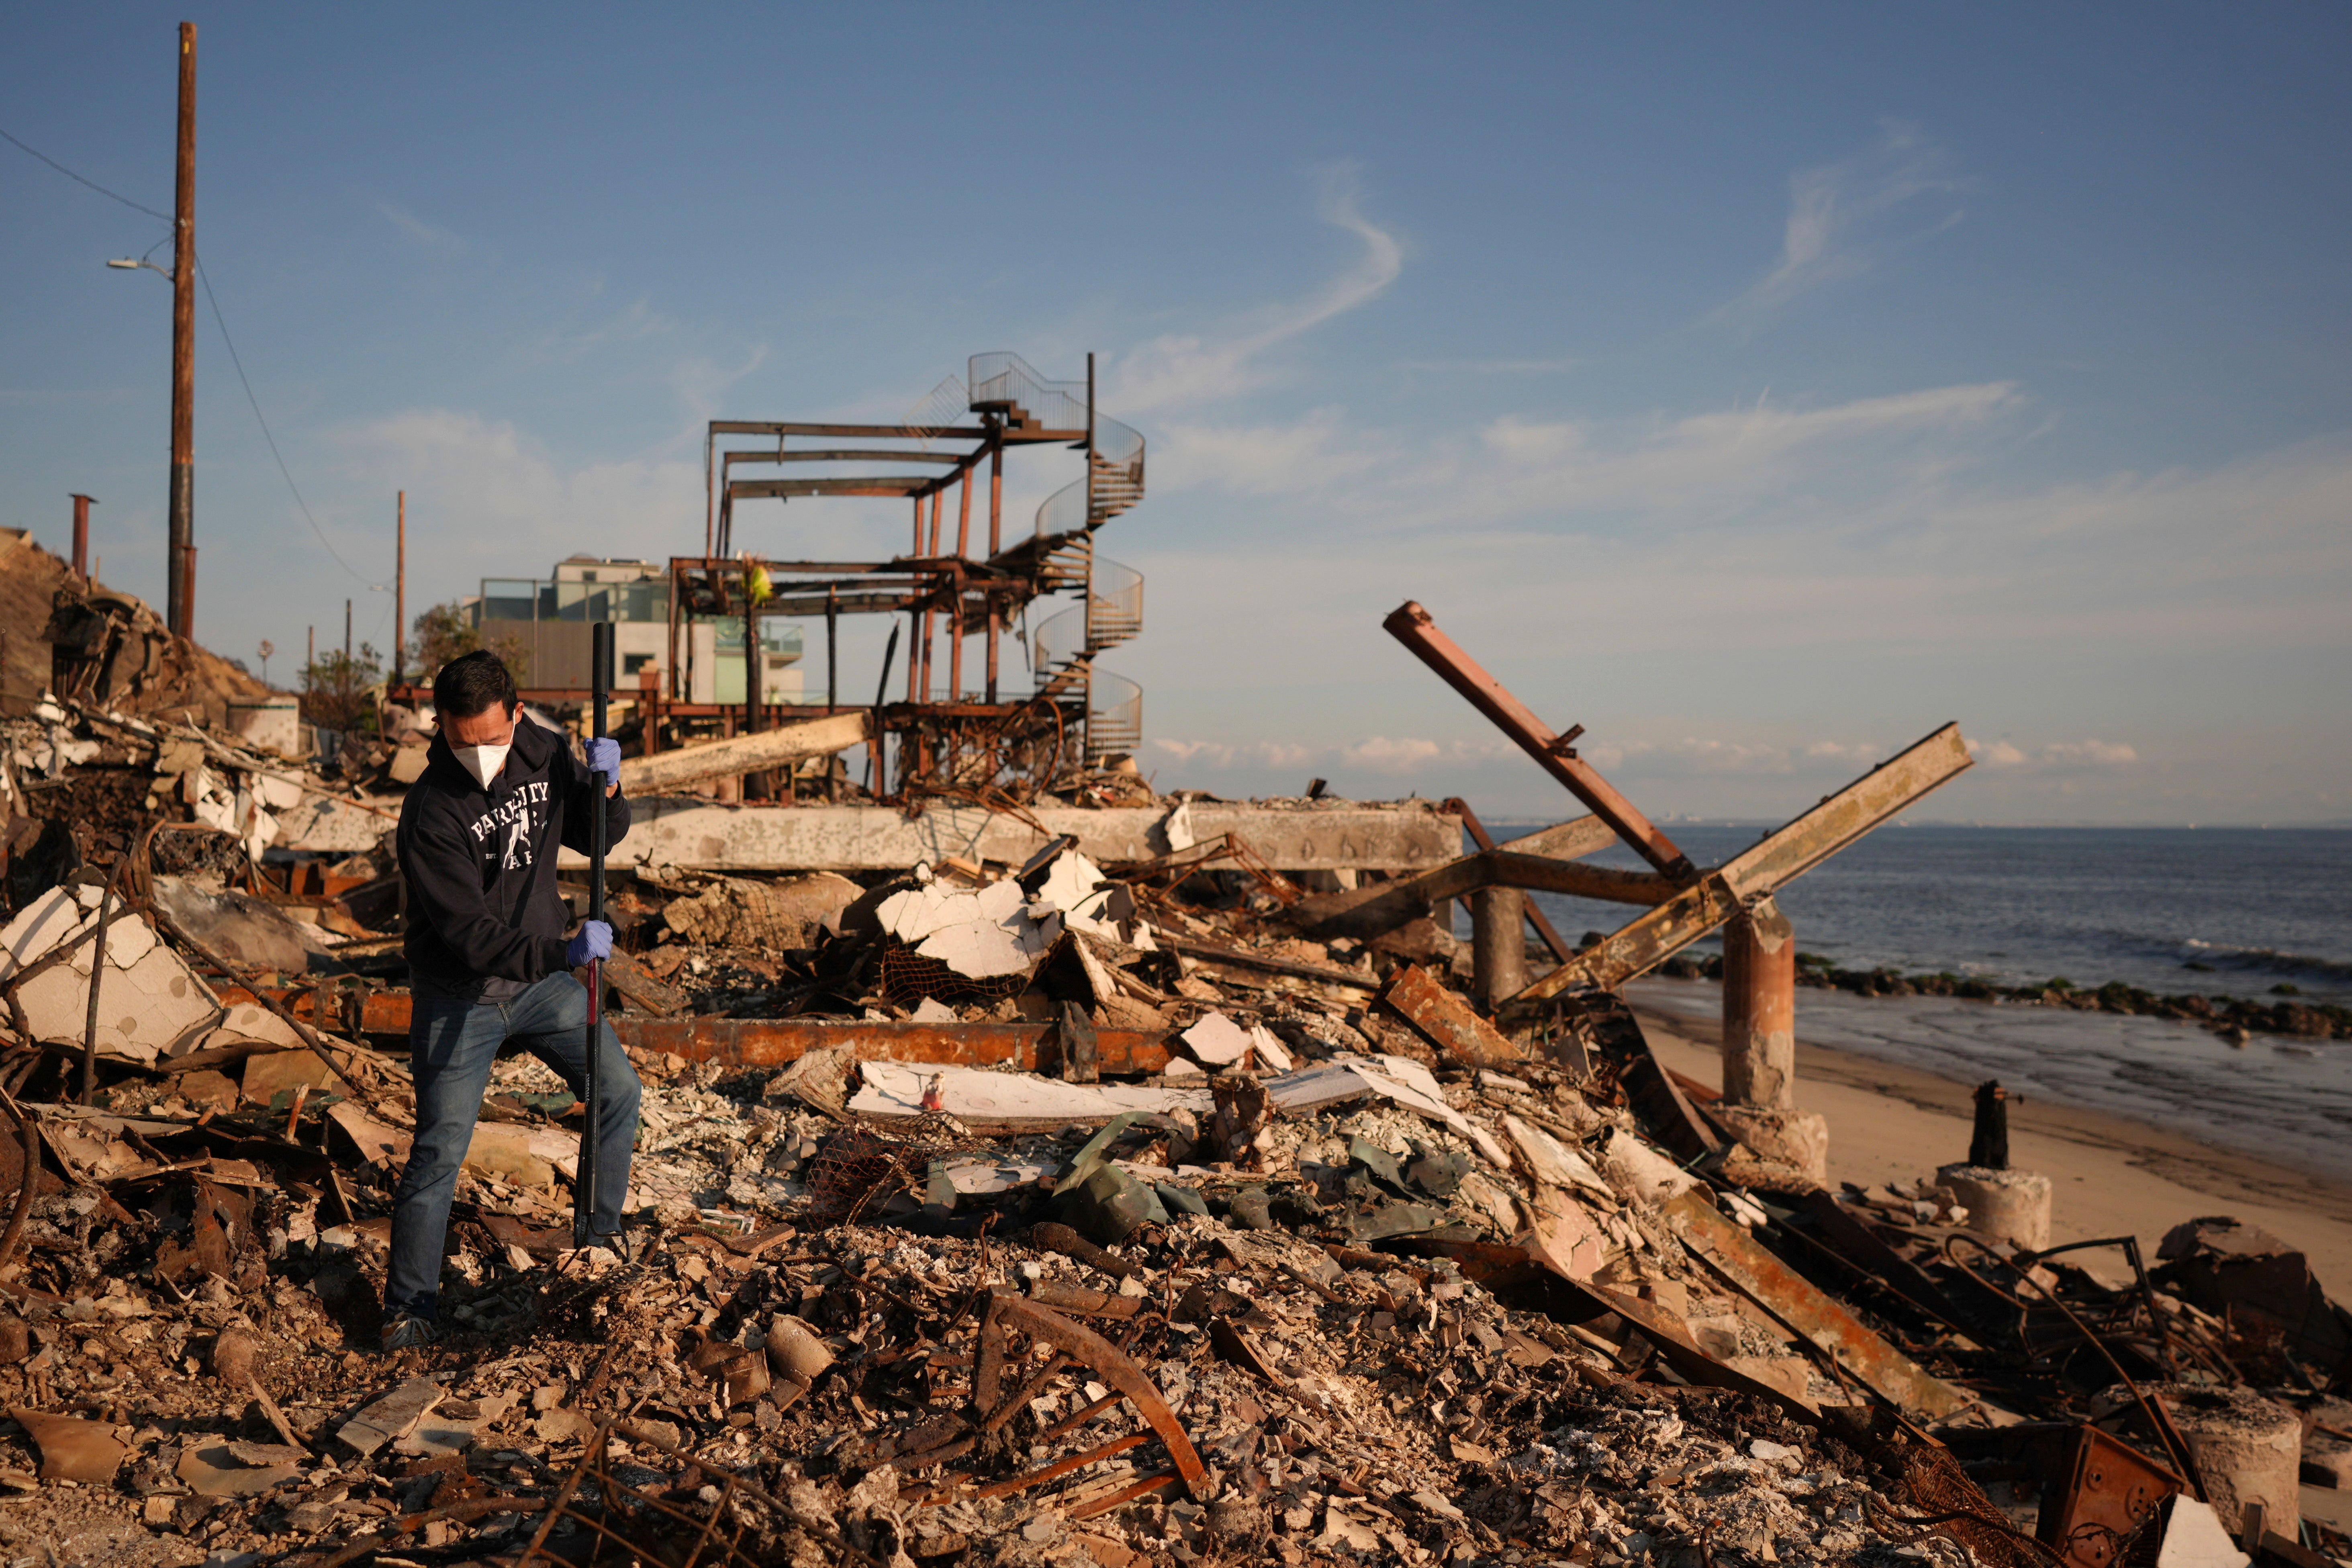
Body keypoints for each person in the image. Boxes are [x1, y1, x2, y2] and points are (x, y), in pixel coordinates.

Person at [383, 649, 640, 1350]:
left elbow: (597, 841)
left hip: (542, 987)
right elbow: (469, 937)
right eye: (461, 742)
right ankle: (409, 1306)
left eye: (492, 740)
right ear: (441, 727)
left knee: (618, 1091)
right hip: (461, 997)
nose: (480, 758)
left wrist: (607, 790)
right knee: (439, 1151)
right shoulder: (431, 812)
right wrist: (562, 952)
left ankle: (599, 1242)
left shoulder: (543, 750)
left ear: (517, 715)